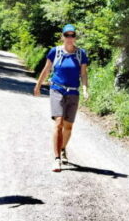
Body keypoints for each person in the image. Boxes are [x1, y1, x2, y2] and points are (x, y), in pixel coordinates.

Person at [33, 24, 89, 171]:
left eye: (72, 35)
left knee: (68, 126)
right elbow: (46, 70)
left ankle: (63, 148)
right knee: (58, 123)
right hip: (57, 89)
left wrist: (85, 89)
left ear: (75, 37)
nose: (69, 38)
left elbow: (83, 73)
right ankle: (57, 158)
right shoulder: (55, 52)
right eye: (67, 35)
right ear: (62, 36)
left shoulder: (81, 54)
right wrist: (38, 85)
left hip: (73, 92)